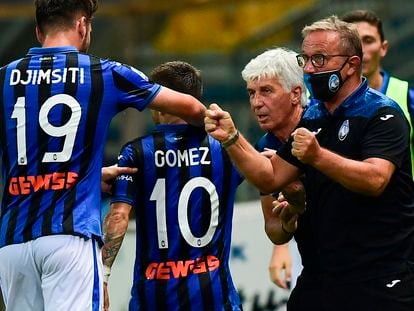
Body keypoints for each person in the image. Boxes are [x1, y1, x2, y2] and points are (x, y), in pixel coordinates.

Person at [0, 1, 207, 310]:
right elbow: (192, 108)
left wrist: (91, 177)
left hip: (12, 243)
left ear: (38, 31)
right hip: (70, 238)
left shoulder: (4, 76)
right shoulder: (105, 73)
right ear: (83, 24)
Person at [205, 15, 414, 311]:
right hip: (321, 279)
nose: (309, 68)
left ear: (351, 65)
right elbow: (270, 177)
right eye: (306, 59)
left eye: (320, 59)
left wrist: (317, 156)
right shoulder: (312, 118)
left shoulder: (383, 114)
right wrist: (231, 137)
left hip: (380, 280)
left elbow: (375, 180)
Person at [102, 61, 243, 310]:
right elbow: (269, 180)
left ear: (161, 100)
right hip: (214, 297)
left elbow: (119, 216)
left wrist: (102, 276)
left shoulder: (136, 152)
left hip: (154, 297)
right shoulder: (226, 149)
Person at [240, 47, 307, 290]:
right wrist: (291, 216)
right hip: (316, 265)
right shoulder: (265, 146)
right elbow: (275, 229)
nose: (257, 103)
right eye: (251, 93)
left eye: (266, 91)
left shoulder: (325, 126)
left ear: (295, 94)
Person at [341, 9, 414, 174]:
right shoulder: (320, 106)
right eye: (352, 42)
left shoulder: (408, 98)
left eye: (368, 40)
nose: (361, 50)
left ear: (383, 47)